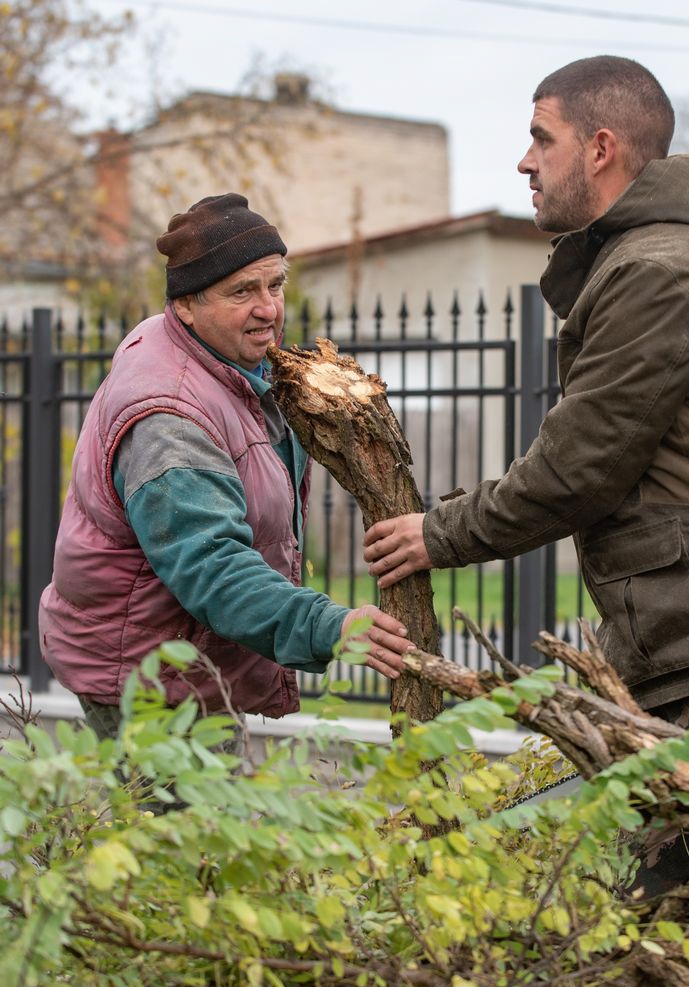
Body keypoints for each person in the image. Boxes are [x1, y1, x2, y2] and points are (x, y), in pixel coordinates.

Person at [363, 55, 689, 726]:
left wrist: (438, 532)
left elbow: (578, 468)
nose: (525, 163)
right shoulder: (656, 261)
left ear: (600, 150)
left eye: (543, 139)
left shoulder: (662, 272)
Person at [40, 193, 412, 744]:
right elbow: (212, 566)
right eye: (242, 291)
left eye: (275, 285)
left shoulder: (219, 362)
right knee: (183, 804)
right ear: (186, 305)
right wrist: (329, 626)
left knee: (216, 796)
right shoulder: (170, 420)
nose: (269, 309)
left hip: (182, 660)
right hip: (146, 681)